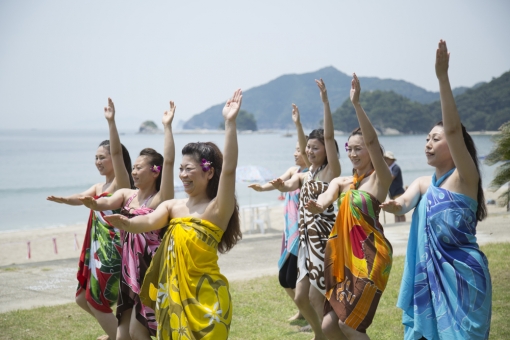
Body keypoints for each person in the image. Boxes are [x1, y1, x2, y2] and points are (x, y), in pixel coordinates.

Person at [104, 89, 244, 340]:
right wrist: (127, 222)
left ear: (209, 172)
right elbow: (146, 222)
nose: (182, 175)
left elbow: (230, 170)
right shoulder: (173, 207)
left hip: (208, 301)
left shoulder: (217, 209)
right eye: (181, 169)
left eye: (188, 169)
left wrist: (230, 123)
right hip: (172, 300)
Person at [380, 40, 492, 340]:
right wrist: (394, 206)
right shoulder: (423, 183)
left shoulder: (466, 178)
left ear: (454, 147)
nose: (428, 143)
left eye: (436, 139)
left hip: (464, 281)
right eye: (427, 137)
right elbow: (404, 203)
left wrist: (442, 78)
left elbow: (454, 129)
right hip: (428, 280)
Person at [306, 74, 393, 339]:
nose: (353, 154)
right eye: (350, 149)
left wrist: (356, 105)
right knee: (329, 325)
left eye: (359, 149)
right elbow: (325, 199)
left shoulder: (381, 179)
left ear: (371, 150)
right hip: (343, 263)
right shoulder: (344, 182)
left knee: (349, 325)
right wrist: (318, 207)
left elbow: (372, 142)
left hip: (369, 259)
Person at [79, 101, 176, 339]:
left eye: (139, 168)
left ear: (155, 171)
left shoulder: (160, 200)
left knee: (138, 331)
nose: (133, 172)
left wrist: (167, 128)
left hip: (149, 271)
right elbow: (104, 202)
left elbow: (170, 163)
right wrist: (93, 203)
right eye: (133, 167)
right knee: (123, 335)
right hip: (127, 272)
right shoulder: (128, 196)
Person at [47, 98, 133, 340]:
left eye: (102, 157)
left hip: (112, 252)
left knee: (97, 302)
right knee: (81, 298)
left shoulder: (122, 184)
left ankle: (118, 337)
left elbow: (117, 151)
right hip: (97, 252)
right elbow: (80, 198)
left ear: (115, 160)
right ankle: (118, 333)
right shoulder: (99, 186)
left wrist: (111, 122)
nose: (98, 162)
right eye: (95, 157)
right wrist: (64, 200)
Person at [271, 80, 341, 340]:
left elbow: (331, 137)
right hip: (305, 241)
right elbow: (303, 146)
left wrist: (325, 101)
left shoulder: (331, 171)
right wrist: (298, 125)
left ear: (328, 151)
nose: (309, 151)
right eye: (308, 148)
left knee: (315, 297)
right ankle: (319, 333)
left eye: (316, 147)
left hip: (324, 241)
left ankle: (327, 334)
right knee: (301, 297)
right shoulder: (308, 171)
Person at [248, 105, 311, 323]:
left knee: (290, 278)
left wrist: (297, 124)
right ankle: (304, 312)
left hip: (303, 234)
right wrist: (261, 188)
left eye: (299, 149)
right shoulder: (294, 171)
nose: (295, 153)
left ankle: (309, 314)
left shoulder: (311, 174)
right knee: (284, 278)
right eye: (294, 149)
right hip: (289, 231)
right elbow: (279, 183)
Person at [383, 151, 406, 223]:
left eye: (387, 159)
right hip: (392, 194)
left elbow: (390, 178)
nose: (385, 160)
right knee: (395, 212)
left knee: (400, 212)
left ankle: (402, 225)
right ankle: (397, 224)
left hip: (398, 193)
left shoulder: (396, 168)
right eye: (385, 159)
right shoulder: (389, 169)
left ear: (391, 160)